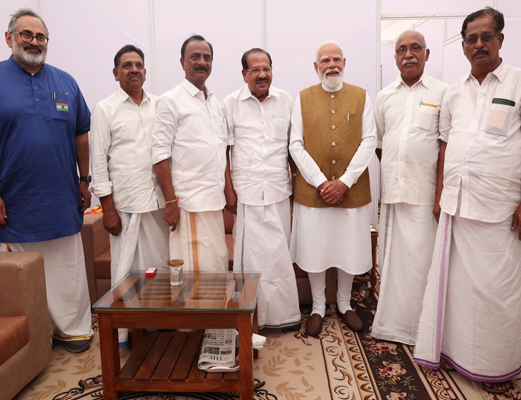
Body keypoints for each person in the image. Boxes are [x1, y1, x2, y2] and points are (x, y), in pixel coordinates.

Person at [413, 7, 521, 394]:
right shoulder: (454, 92)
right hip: (457, 205)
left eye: (486, 36)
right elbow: (446, 147)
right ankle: (454, 351)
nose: (479, 44)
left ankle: (495, 365)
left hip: (500, 209)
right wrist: (440, 195)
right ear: (463, 45)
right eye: (471, 38)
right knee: (455, 288)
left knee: (496, 291)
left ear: (500, 40)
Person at [0, 8, 93, 353]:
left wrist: (84, 179)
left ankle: (72, 329)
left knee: (66, 269)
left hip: (61, 199)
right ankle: (36, 337)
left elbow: (81, 134)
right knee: (23, 276)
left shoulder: (66, 82)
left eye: (40, 36)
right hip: (11, 202)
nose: (34, 41)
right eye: (26, 34)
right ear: (9, 38)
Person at [290, 40, 377, 337]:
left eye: (336, 59)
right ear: (316, 67)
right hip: (312, 192)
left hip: (351, 191)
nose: (331, 65)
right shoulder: (302, 98)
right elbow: (295, 145)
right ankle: (317, 307)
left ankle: (344, 303)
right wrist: (321, 182)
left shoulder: (361, 96)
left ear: (344, 63)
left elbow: (369, 140)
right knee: (314, 248)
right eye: (325, 60)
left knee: (348, 248)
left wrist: (344, 181)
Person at [371, 31, 448, 345]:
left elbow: (446, 148)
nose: (408, 54)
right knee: (392, 264)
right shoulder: (384, 96)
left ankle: (423, 329)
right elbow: (380, 144)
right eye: (401, 49)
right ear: (395, 58)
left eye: (415, 48)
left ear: (427, 54)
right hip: (394, 194)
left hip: (425, 195)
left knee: (422, 264)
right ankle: (393, 325)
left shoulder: (444, 93)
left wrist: (440, 196)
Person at [89, 45, 170, 345]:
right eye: (126, 65)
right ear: (116, 73)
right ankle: (126, 330)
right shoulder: (104, 109)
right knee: (126, 272)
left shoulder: (160, 105)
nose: (133, 69)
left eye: (138, 65)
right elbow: (99, 162)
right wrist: (107, 209)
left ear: (145, 72)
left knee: (158, 266)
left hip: (157, 204)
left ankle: (158, 324)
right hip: (125, 207)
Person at [223, 48, 301, 329]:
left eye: (266, 68)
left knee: (279, 257)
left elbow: (293, 148)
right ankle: (251, 318)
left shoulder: (285, 100)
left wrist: (298, 185)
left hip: (279, 190)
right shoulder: (231, 104)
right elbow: (224, 152)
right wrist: (228, 191)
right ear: (244, 74)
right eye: (255, 70)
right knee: (251, 261)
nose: (262, 74)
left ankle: (284, 316)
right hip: (247, 193)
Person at [152, 35, 232, 272]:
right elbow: (159, 156)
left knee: (216, 265)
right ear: (182, 62)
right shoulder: (170, 101)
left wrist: (228, 192)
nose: (202, 62)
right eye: (195, 57)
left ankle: (215, 299)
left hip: (214, 203)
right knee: (193, 272)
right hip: (187, 204)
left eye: (207, 58)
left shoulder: (216, 103)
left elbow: (221, 151)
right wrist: (170, 202)